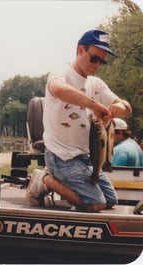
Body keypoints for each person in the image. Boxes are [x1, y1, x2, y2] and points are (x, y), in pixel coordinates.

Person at [26, 30, 132, 212]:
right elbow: (58, 90)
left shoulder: (97, 84)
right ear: (80, 50)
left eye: (102, 61)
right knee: (96, 204)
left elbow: (127, 107)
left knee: (110, 200)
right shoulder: (61, 74)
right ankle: (44, 180)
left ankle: (63, 182)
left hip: (86, 158)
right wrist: (95, 105)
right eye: (94, 58)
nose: (98, 64)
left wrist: (120, 107)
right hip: (61, 156)